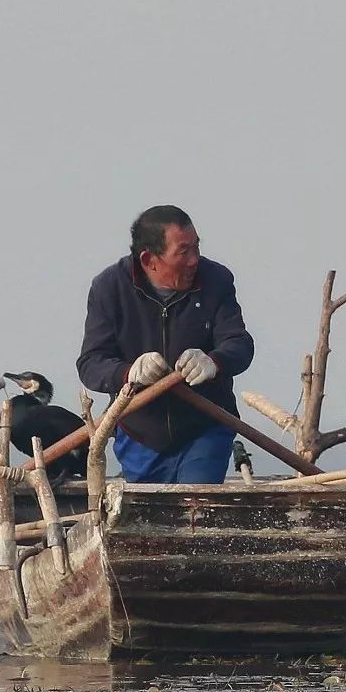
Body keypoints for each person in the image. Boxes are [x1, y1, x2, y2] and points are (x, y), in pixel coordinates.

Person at [76, 205, 254, 483]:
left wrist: (214, 362)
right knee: (149, 517)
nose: (195, 260)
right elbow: (91, 363)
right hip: (139, 432)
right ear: (149, 260)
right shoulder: (109, 288)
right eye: (184, 252)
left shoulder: (217, 280)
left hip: (205, 426)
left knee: (195, 504)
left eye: (197, 247)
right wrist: (128, 372)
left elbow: (239, 344)